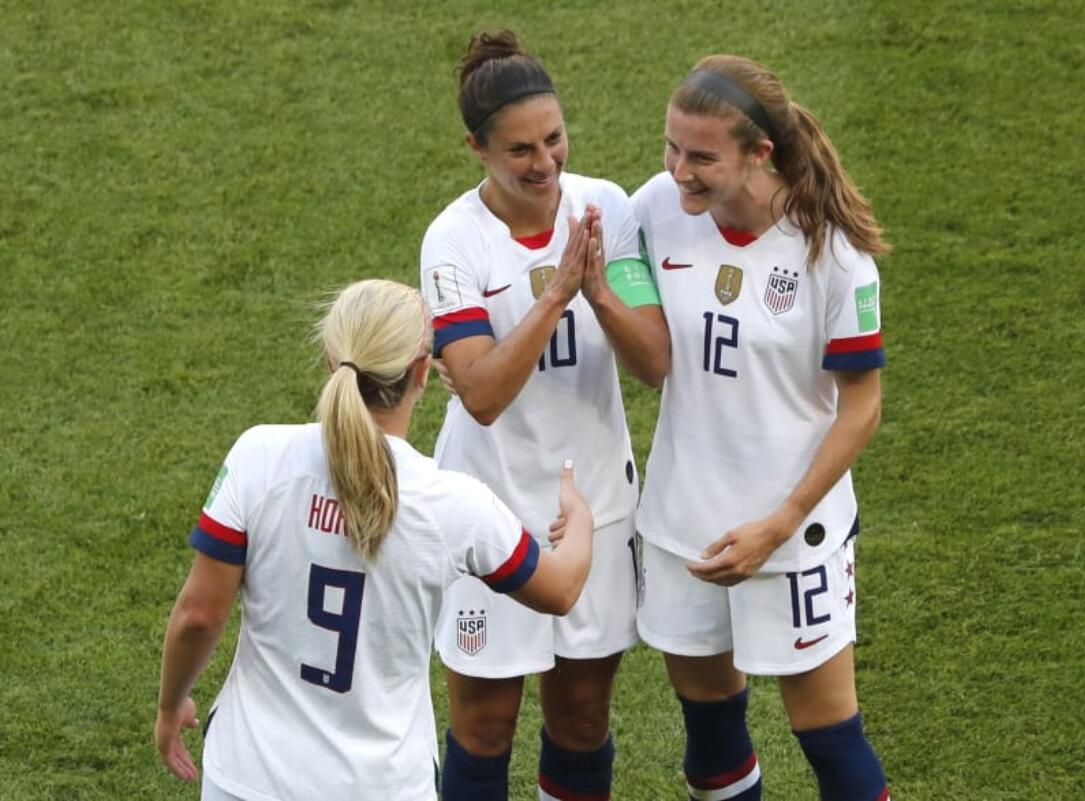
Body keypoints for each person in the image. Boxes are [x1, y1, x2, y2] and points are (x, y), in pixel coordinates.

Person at [154, 279, 595, 801]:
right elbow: (561, 589)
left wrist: (169, 705)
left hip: (250, 777)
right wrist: (581, 521)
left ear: (329, 358)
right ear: (422, 373)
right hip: (383, 785)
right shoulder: (452, 503)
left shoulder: (260, 458)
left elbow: (199, 615)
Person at [631, 55, 893, 801]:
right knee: (710, 733)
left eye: (702, 156)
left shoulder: (834, 258)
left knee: (830, 736)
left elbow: (862, 406)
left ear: (759, 154)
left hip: (793, 531)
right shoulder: (654, 208)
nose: (680, 170)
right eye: (672, 147)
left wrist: (778, 523)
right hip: (685, 524)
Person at [420, 30, 669, 801]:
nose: (546, 163)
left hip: (596, 500)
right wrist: (559, 291)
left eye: (555, 138)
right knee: (485, 725)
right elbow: (482, 394)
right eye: (520, 149)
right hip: (487, 501)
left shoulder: (610, 209)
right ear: (476, 147)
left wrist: (599, 291)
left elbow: (655, 363)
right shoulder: (453, 240)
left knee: (584, 716)